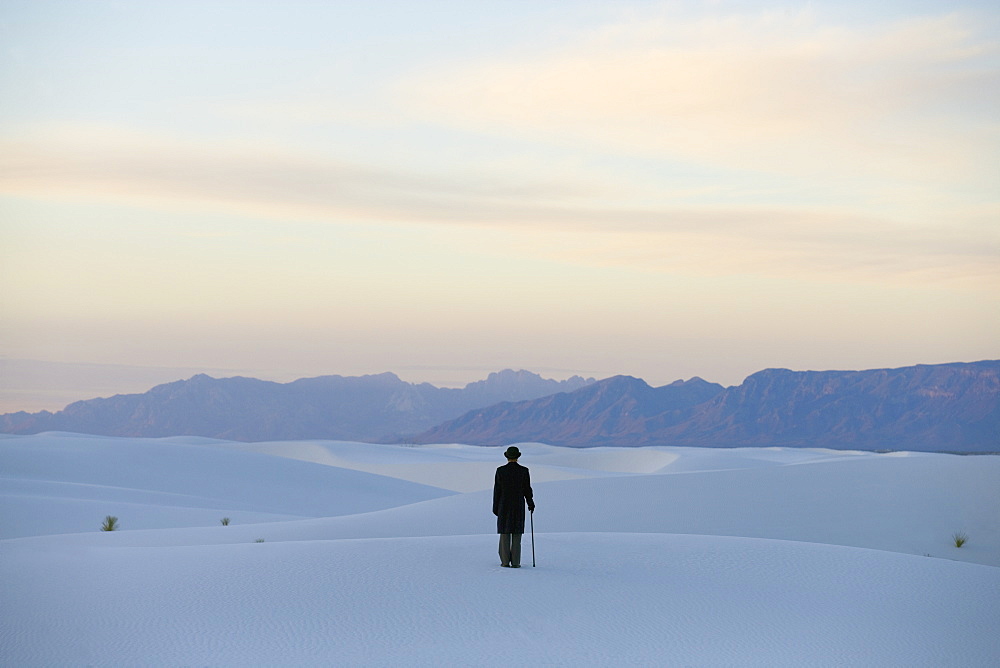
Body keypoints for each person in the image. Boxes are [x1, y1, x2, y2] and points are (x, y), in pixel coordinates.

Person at [493, 445, 535, 568]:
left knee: (505, 533)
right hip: (518, 505)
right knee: (517, 533)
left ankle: (505, 562)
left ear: (507, 457)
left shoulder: (500, 470)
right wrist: (530, 503)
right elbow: (527, 489)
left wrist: (496, 508)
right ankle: (516, 562)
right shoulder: (524, 471)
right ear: (517, 457)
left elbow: (497, 491)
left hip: (504, 504)